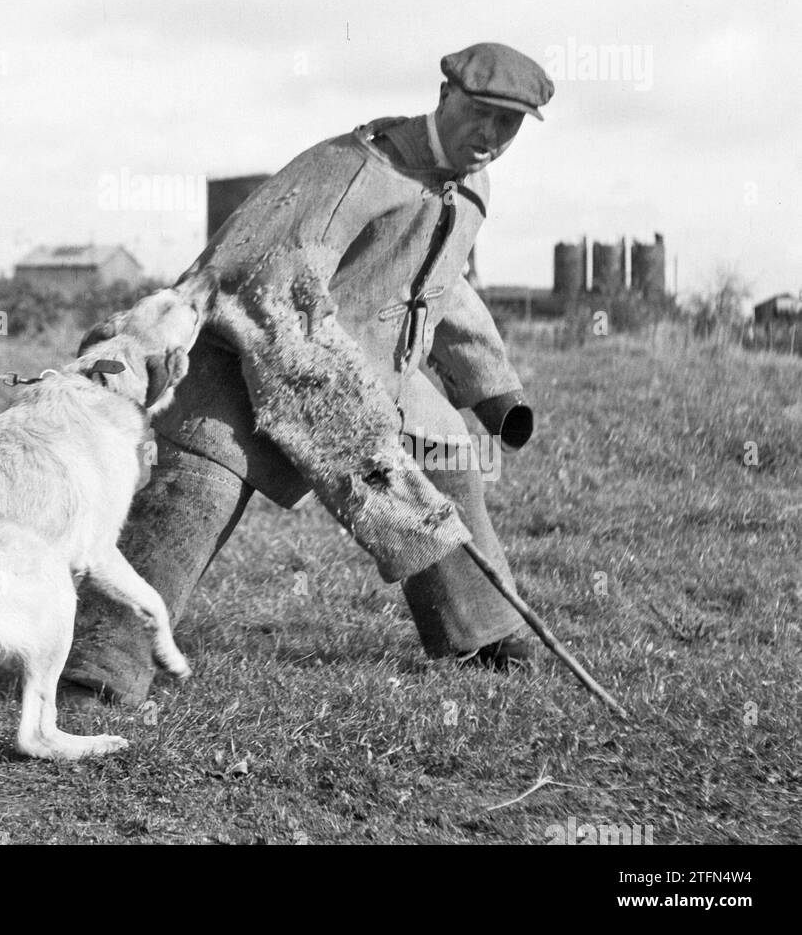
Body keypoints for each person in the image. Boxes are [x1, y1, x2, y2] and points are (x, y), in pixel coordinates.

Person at [62, 42, 555, 707]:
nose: (491, 136)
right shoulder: (353, 170)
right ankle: (101, 662)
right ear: (444, 98)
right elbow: (268, 287)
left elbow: (445, 287)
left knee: (448, 463)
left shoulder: (471, 187)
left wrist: (494, 389)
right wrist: (343, 413)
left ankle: (486, 629)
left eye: (510, 123)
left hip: (383, 375)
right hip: (244, 364)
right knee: (193, 495)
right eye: (481, 114)